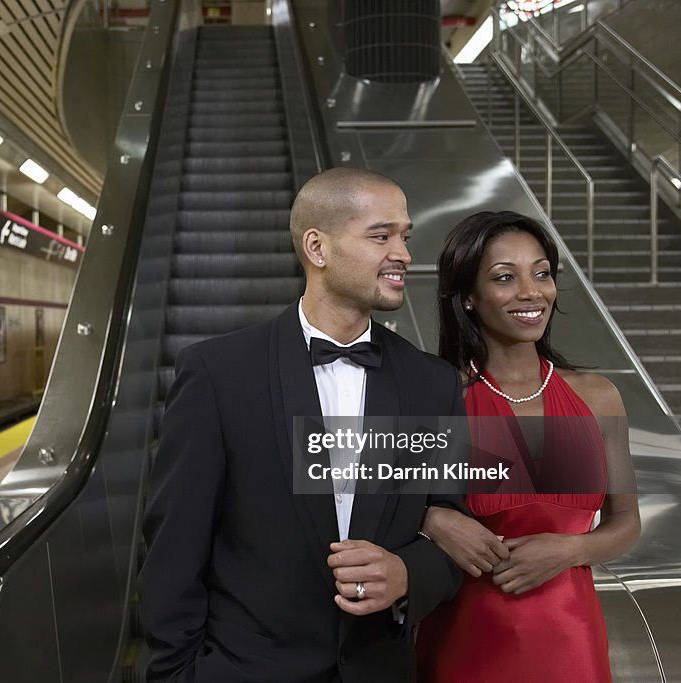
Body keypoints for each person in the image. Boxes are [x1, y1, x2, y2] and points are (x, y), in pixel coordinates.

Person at [139, 168, 467, 682]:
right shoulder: (218, 373)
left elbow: (452, 524)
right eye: (382, 236)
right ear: (318, 247)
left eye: (405, 237)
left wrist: (408, 573)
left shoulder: (432, 383)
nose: (403, 254)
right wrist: (174, 674)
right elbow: (174, 543)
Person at [415, 211, 641, 682]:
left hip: (571, 640)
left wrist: (570, 550)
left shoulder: (597, 397)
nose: (531, 291)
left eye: (541, 273)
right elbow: (360, 500)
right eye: (504, 277)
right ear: (469, 298)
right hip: (468, 640)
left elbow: (626, 523)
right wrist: (432, 518)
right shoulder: (438, 399)